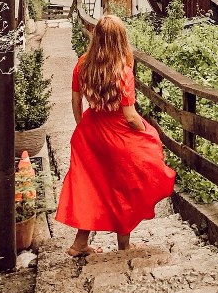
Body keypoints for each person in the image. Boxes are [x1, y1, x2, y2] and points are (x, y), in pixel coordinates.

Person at [56, 14, 176, 257]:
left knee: (92, 186)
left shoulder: (82, 63)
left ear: (96, 37)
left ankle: (80, 243)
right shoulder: (122, 72)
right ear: (120, 40)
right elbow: (131, 116)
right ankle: (123, 246)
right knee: (124, 188)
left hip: (91, 130)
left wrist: (83, 127)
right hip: (118, 133)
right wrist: (146, 134)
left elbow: (75, 100)